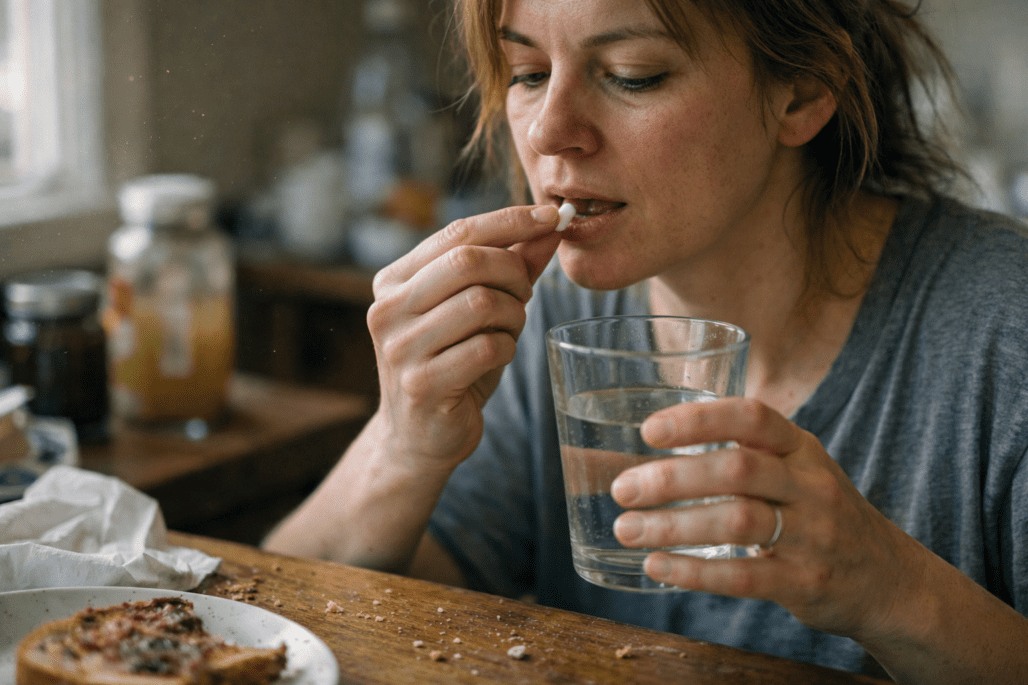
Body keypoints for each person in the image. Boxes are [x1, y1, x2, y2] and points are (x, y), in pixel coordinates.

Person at [264, 0, 1028, 680]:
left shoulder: (1004, 323)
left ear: (802, 88)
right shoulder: (547, 316)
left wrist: (890, 588)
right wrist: (402, 441)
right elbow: (268, 624)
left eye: (633, 75)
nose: (549, 130)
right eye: (527, 71)